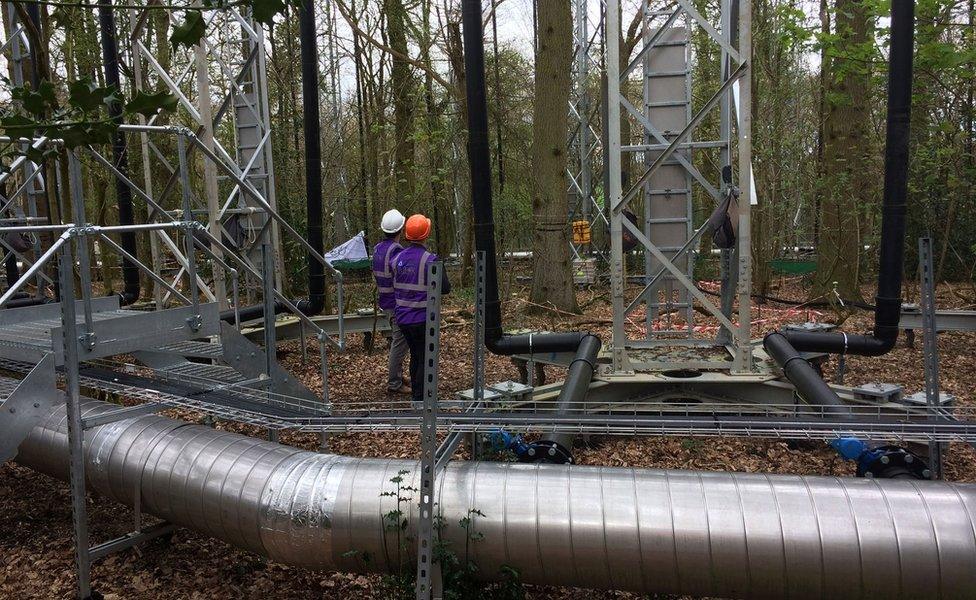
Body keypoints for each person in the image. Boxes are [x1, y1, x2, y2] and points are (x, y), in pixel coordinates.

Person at [393, 214, 451, 407]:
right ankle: (421, 399)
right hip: (421, 318)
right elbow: (445, 288)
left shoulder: (397, 258)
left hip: (402, 318)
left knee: (416, 355)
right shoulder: (430, 260)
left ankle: (418, 395)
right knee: (424, 357)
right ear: (426, 234)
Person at [372, 209, 410, 395]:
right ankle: (394, 383)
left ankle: (398, 375)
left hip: (385, 301)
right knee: (399, 342)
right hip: (396, 303)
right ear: (400, 230)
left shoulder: (377, 249)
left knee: (398, 340)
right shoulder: (397, 251)